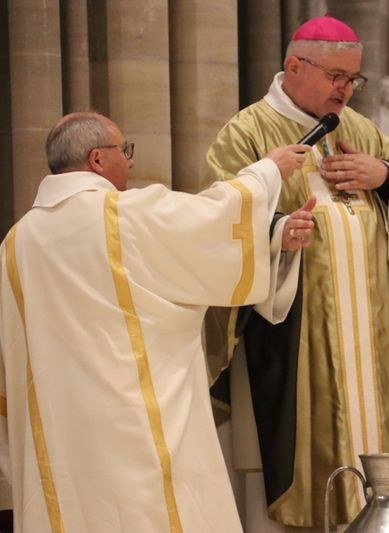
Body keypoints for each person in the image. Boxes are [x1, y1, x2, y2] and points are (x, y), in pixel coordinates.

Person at [0, 111, 315, 533]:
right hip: (132, 431)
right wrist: (269, 170)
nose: (130, 161)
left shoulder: (16, 242)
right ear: (97, 159)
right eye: (124, 149)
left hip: (61, 437)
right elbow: (213, 222)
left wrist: (275, 238)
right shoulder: (121, 215)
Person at [204, 15, 389, 531]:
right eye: (337, 76)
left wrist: (386, 177)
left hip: (374, 343)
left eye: (354, 79)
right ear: (294, 66)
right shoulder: (247, 132)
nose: (346, 90)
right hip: (295, 343)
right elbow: (218, 220)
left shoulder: (359, 129)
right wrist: (277, 233)